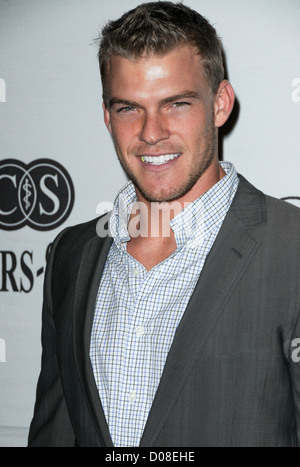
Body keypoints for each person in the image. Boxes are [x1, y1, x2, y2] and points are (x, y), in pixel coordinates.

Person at [28, 1, 300, 447]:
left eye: (176, 104)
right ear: (105, 116)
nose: (151, 132)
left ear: (220, 104)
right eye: (128, 109)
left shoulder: (291, 250)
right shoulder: (70, 254)